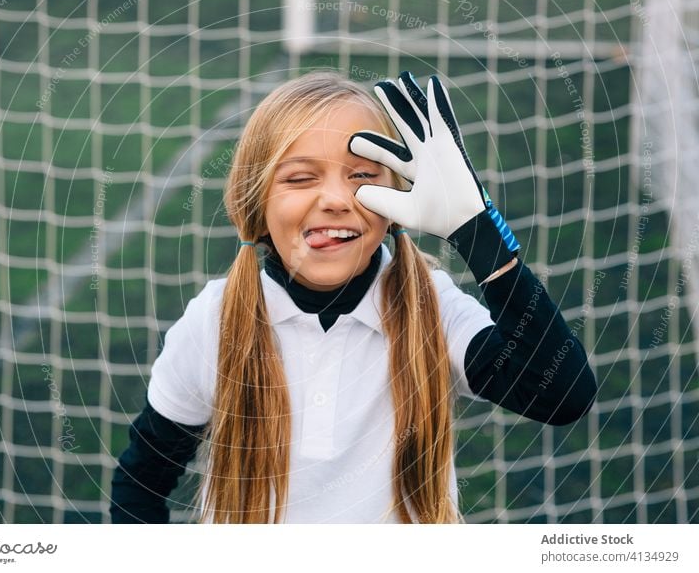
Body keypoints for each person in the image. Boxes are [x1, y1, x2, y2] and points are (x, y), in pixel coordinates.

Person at [110, 70, 597, 524]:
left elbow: (561, 394)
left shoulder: (432, 305)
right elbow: (141, 480)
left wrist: (477, 231)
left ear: (400, 203)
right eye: (301, 177)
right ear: (256, 203)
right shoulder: (216, 319)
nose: (337, 199)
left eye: (363, 175)